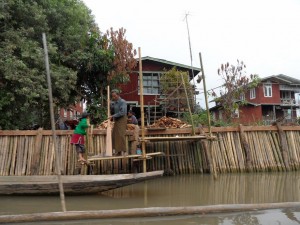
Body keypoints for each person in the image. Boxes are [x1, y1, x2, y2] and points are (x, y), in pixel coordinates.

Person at [109, 89, 127, 156]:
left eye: (114, 96)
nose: (113, 97)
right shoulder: (114, 102)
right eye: (112, 96)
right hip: (117, 119)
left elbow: (123, 112)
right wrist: (110, 104)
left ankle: (124, 151)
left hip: (122, 119)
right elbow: (112, 110)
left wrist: (113, 116)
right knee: (114, 135)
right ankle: (118, 151)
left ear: (118, 95)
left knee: (121, 135)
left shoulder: (122, 102)